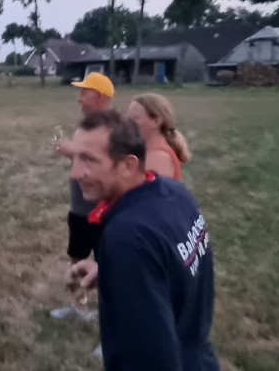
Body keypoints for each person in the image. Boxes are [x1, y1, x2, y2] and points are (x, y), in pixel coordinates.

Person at [65, 110, 219, 371]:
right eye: (75, 158)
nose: (75, 173)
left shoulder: (126, 238)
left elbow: (150, 360)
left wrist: (127, 265)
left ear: (128, 165)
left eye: (88, 160)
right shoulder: (172, 192)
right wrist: (116, 273)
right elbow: (172, 267)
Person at [48, 71, 114, 321]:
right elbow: (80, 162)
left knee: (109, 266)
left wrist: (72, 151)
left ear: (99, 96)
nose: (79, 99)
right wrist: (70, 152)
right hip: (79, 210)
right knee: (77, 261)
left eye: (84, 93)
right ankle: (80, 307)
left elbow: (107, 165)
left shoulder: (113, 128)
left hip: (104, 212)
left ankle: (112, 316)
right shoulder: (85, 126)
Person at [128, 93, 190, 180]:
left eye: (135, 118)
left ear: (156, 121)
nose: (128, 123)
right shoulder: (147, 152)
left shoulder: (159, 158)